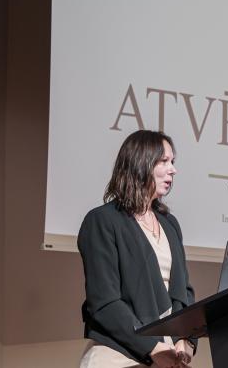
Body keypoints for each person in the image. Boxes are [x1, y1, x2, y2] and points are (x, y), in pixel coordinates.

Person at [78, 130, 196, 367]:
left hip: (165, 355)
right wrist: (151, 347)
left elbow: (183, 291)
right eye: (164, 161)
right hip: (118, 356)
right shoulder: (103, 220)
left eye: (173, 161)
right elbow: (104, 302)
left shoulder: (170, 224)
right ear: (140, 163)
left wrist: (186, 338)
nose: (173, 169)